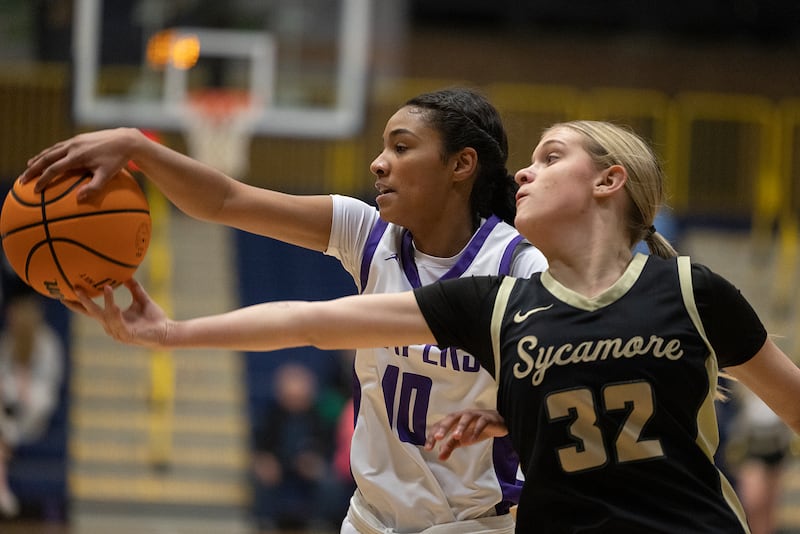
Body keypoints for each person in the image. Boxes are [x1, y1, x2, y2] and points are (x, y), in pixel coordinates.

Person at [53, 119, 800, 533]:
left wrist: (505, 414)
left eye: (549, 156)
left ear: (608, 181)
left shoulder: (687, 289)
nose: (526, 174)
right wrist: (171, 334)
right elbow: (317, 320)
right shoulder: (503, 306)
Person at [20, 87, 548, 533]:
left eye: (402, 147)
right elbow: (226, 201)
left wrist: (509, 417)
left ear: (461, 165)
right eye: (383, 146)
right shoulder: (368, 235)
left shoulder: (519, 267)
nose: (379, 161)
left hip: (475, 524)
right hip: (369, 520)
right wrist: (140, 149)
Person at [0, 281, 65, 518]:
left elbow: (49, 392)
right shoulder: (8, 342)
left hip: (33, 414)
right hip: (7, 410)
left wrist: (25, 392)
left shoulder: (48, 344)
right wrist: (12, 387)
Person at [251, 362, 328, 532]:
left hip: (305, 466)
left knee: (327, 479)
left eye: (299, 397)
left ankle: (319, 523)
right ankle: (265, 523)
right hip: (278, 465)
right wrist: (265, 460)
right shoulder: (272, 414)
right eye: (290, 396)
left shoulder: (316, 415)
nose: (295, 400)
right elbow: (261, 445)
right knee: (261, 476)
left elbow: (325, 445)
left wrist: (314, 459)